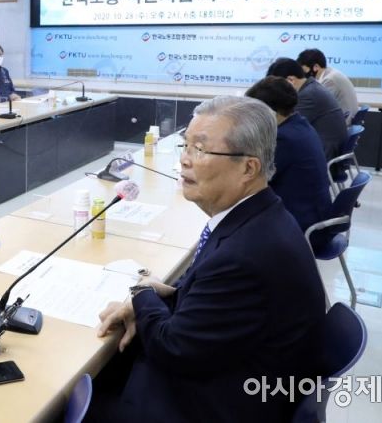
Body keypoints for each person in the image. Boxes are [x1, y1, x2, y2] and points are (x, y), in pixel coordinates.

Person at [90, 95, 325, 423]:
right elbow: (214, 307)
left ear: (248, 168)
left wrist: (142, 293)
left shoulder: (245, 255)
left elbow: (172, 348)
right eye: (185, 146)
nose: (185, 160)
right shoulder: (258, 217)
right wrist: (166, 295)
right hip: (230, 374)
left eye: (200, 149)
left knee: (68, 399)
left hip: (216, 404)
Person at [245, 76, 332, 249]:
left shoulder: (284, 138)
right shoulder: (300, 125)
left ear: (269, 112)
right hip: (315, 218)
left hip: (302, 227)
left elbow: (252, 181)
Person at [266, 57, 345, 160]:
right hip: (327, 149)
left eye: (277, 87)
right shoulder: (312, 87)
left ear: (290, 80)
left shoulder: (308, 96)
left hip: (323, 155)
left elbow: (284, 126)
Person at [296, 48, 358, 125]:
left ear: (316, 67)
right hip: (346, 119)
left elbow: (319, 106)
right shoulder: (331, 73)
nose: (303, 74)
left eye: (304, 70)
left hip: (343, 123)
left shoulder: (329, 80)